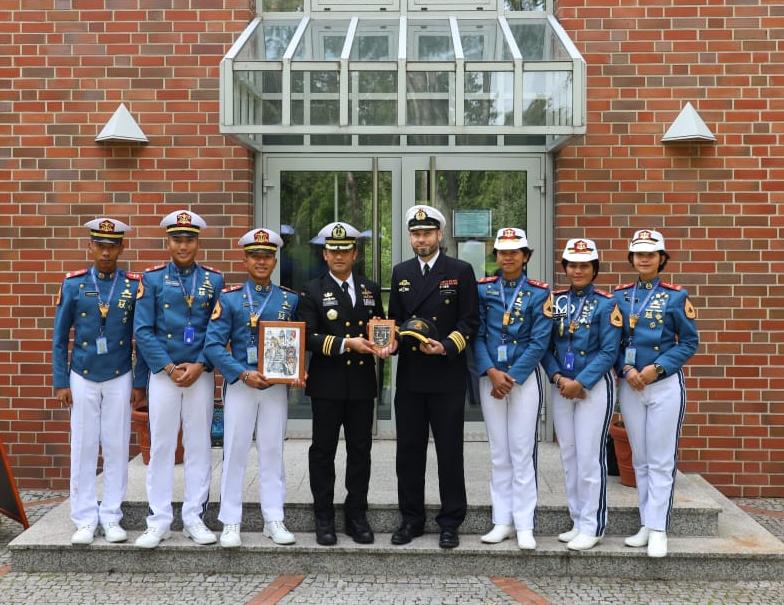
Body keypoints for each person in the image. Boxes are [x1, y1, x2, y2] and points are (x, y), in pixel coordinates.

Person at [204, 228, 302, 548]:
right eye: (255, 256)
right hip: (241, 384)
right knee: (235, 451)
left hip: (274, 386)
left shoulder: (289, 299)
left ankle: (274, 518)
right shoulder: (230, 298)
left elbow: (298, 344)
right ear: (245, 260)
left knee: (273, 451)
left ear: (275, 260)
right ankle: (230, 520)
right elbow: (213, 346)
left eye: (267, 256)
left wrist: (297, 371)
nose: (261, 262)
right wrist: (242, 373)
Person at [388, 204, 479, 549]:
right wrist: (389, 342)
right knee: (408, 452)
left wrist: (446, 346)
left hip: (446, 374)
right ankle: (410, 519)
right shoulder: (401, 272)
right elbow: (395, 321)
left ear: (439, 234)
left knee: (449, 452)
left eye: (426, 233)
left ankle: (450, 521)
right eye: (415, 234)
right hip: (411, 376)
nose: (421, 239)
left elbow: (470, 321)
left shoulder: (459, 270)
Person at [53, 218, 148, 545]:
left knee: (117, 445)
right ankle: (83, 518)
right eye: (100, 246)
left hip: (120, 374)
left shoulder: (133, 285)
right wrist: (61, 380)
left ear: (122, 247)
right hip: (82, 374)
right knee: (83, 445)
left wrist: (140, 382)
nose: (106, 252)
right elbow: (59, 337)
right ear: (90, 246)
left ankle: (111, 516)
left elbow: (141, 336)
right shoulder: (74, 284)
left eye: (113, 246)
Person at [133, 210, 224, 549]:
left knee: (199, 445)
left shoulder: (213, 280)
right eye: (177, 239)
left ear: (197, 242)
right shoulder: (152, 279)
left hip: (199, 374)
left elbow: (218, 329)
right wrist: (169, 368)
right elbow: (143, 331)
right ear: (168, 242)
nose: (183, 246)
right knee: (161, 446)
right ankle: (158, 520)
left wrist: (200, 364)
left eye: (189, 239)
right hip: (164, 374)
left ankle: (194, 517)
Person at [298, 222, 386, 546]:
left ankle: (356, 516)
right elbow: (307, 336)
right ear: (325, 254)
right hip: (327, 384)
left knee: (360, 452)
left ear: (355, 253)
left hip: (361, 383)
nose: (338, 256)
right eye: (333, 250)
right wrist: (348, 344)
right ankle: (323, 518)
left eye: (344, 250)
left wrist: (385, 344)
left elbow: (380, 327)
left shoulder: (369, 288)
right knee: (323, 452)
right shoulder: (311, 290)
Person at [614, 228, 699, 558]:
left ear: (661, 258)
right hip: (631, 384)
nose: (644, 259)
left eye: (651, 254)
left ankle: (660, 528)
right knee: (641, 458)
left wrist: (657, 368)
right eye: (639, 254)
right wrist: (627, 369)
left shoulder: (676, 296)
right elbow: (612, 342)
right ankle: (646, 524)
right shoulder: (620, 296)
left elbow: (689, 342)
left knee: (662, 460)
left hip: (663, 385)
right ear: (632, 258)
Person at [473, 228, 552, 550]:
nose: (508, 257)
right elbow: (476, 334)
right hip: (491, 379)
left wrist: (512, 376)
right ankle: (502, 521)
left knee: (522, 452)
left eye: (515, 251)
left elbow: (539, 341)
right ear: (496, 256)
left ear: (526, 256)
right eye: (503, 252)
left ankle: (524, 523)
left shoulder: (539, 292)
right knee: (499, 453)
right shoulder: (483, 290)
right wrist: (492, 372)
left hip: (523, 380)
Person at [541, 238, 622, 551]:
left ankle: (593, 525)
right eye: (572, 265)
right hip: (562, 386)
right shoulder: (557, 301)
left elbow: (609, 351)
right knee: (570, 456)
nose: (577, 270)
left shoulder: (606, 303)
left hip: (593, 387)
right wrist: (557, 376)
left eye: (584, 265)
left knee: (589, 457)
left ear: (594, 268)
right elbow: (546, 346)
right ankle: (577, 519)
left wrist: (582, 382)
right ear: (565, 268)